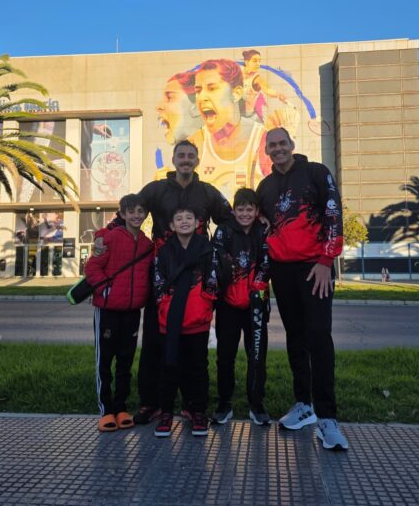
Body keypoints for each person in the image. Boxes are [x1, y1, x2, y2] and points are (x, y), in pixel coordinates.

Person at [94, 140, 232, 425]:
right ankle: (151, 403)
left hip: (195, 277)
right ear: (174, 159)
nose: (185, 159)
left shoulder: (207, 192)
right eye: (181, 155)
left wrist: (217, 250)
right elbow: (127, 212)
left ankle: (193, 406)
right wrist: (103, 236)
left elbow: (229, 220)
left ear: (197, 160)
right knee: (154, 342)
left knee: (193, 345)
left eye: (190, 155)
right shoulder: (156, 190)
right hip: (161, 274)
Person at [255, 128, 348, 451]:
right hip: (282, 271)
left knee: (319, 336)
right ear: (267, 150)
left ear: (292, 145)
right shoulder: (265, 187)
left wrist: (326, 260)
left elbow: (334, 213)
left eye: (282, 143)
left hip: (315, 267)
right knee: (295, 337)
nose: (278, 149)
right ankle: (303, 405)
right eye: (272, 145)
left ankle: (327, 417)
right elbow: (261, 225)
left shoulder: (317, 173)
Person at [85, 194, 154, 433]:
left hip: (132, 312)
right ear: (122, 214)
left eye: (140, 211)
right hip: (107, 311)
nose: (136, 215)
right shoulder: (110, 238)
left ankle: (121, 407)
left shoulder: (147, 244)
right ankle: (106, 410)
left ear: (146, 215)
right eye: (131, 211)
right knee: (104, 362)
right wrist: (106, 290)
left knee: (125, 362)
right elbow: (92, 267)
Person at [152, 205, 220, 437]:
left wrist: (203, 303)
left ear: (197, 222)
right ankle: (166, 413)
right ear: (171, 225)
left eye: (188, 217)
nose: (184, 221)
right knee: (169, 367)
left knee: (198, 368)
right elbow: (158, 282)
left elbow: (212, 280)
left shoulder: (206, 249)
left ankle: (198, 411)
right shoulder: (164, 251)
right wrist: (166, 305)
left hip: (197, 319)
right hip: (170, 320)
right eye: (179, 218)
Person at [211, 188, 271, 427]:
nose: (245, 214)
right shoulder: (223, 230)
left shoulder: (263, 230)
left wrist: (258, 289)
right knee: (225, 357)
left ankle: (256, 404)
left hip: (256, 305)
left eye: (249, 209)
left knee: (257, 357)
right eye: (240, 209)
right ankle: (224, 403)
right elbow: (215, 261)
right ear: (234, 210)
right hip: (227, 305)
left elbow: (267, 262)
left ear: (257, 211)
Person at [188, 59, 269, 197]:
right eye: (198, 91)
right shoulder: (195, 143)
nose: (202, 98)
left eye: (212, 88)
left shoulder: (262, 139)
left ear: (236, 93)